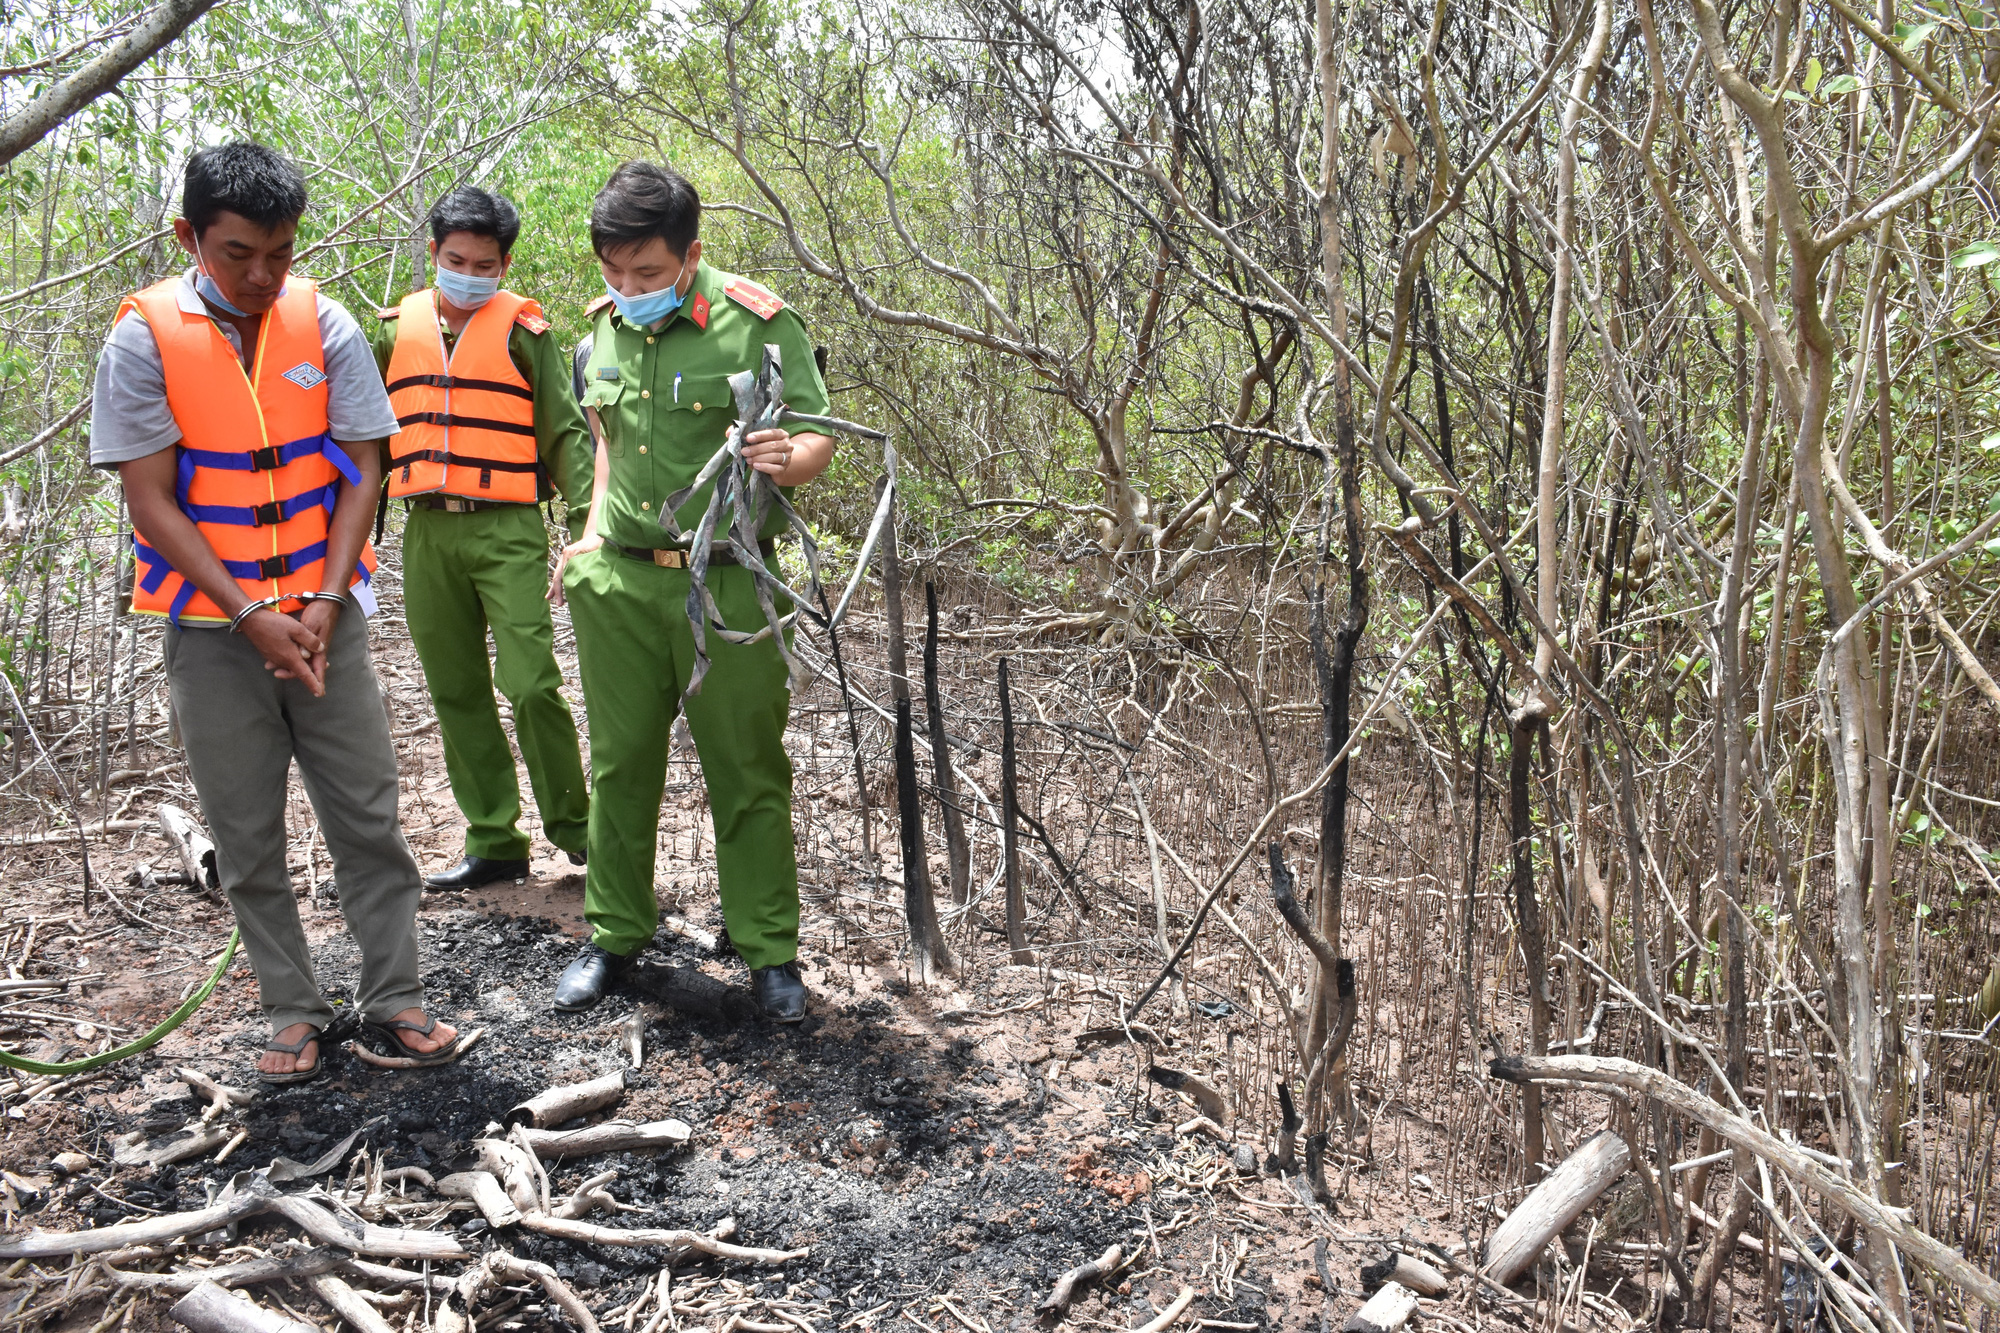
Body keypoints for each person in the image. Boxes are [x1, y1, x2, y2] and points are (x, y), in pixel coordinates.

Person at [91, 141, 460, 1083]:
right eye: (237, 254)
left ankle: (397, 997)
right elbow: (151, 501)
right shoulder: (143, 338)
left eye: (280, 254)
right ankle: (291, 1006)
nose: (261, 275)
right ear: (190, 238)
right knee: (246, 832)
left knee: (369, 816)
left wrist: (328, 600)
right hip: (217, 636)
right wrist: (252, 613)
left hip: (329, 622)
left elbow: (363, 471)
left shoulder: (324, 324)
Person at [553, 161, 834, 1019]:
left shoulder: (759, 322)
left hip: (730, 587)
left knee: (747, 770)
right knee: (620, 765)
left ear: (690, 253)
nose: (628, 288)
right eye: (613, 272)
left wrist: (793, 456)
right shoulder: (599, 330)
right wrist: (592, 537)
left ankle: (769, 953)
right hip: (622, 589)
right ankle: (615, 935)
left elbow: (820, 432)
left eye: (647, 273)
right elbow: (605, 442)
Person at [370, 187, 592, 890]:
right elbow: (361, 441)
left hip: (508, 527)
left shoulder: (526, 331)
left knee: (530, 682)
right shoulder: (389, 330)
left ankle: (579, 831)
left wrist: (591, 529)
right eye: (456, 259)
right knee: (456, 688)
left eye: (485, 264)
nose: (469, 273)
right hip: (426, 530)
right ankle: (494, 837)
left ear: (504, 264)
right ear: (433, 253)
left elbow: (564, 434)